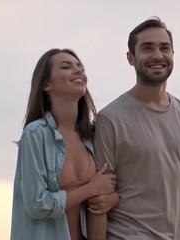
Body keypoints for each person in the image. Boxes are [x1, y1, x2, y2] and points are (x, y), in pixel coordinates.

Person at [93, 17, 180, 240]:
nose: (158, 55)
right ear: (130, 58)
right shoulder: (109, 119)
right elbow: (100, 199)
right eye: (147, 48)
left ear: (173, 54)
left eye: (164, 48)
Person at [10, 48, 117, 240]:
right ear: (46, 85)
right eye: (66, 67)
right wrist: (90, 189)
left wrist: (111, 198)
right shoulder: (35, 134)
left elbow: (105, 191)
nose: (78, 71)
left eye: (80, 67)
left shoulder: (92, 136)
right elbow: (36, 204)